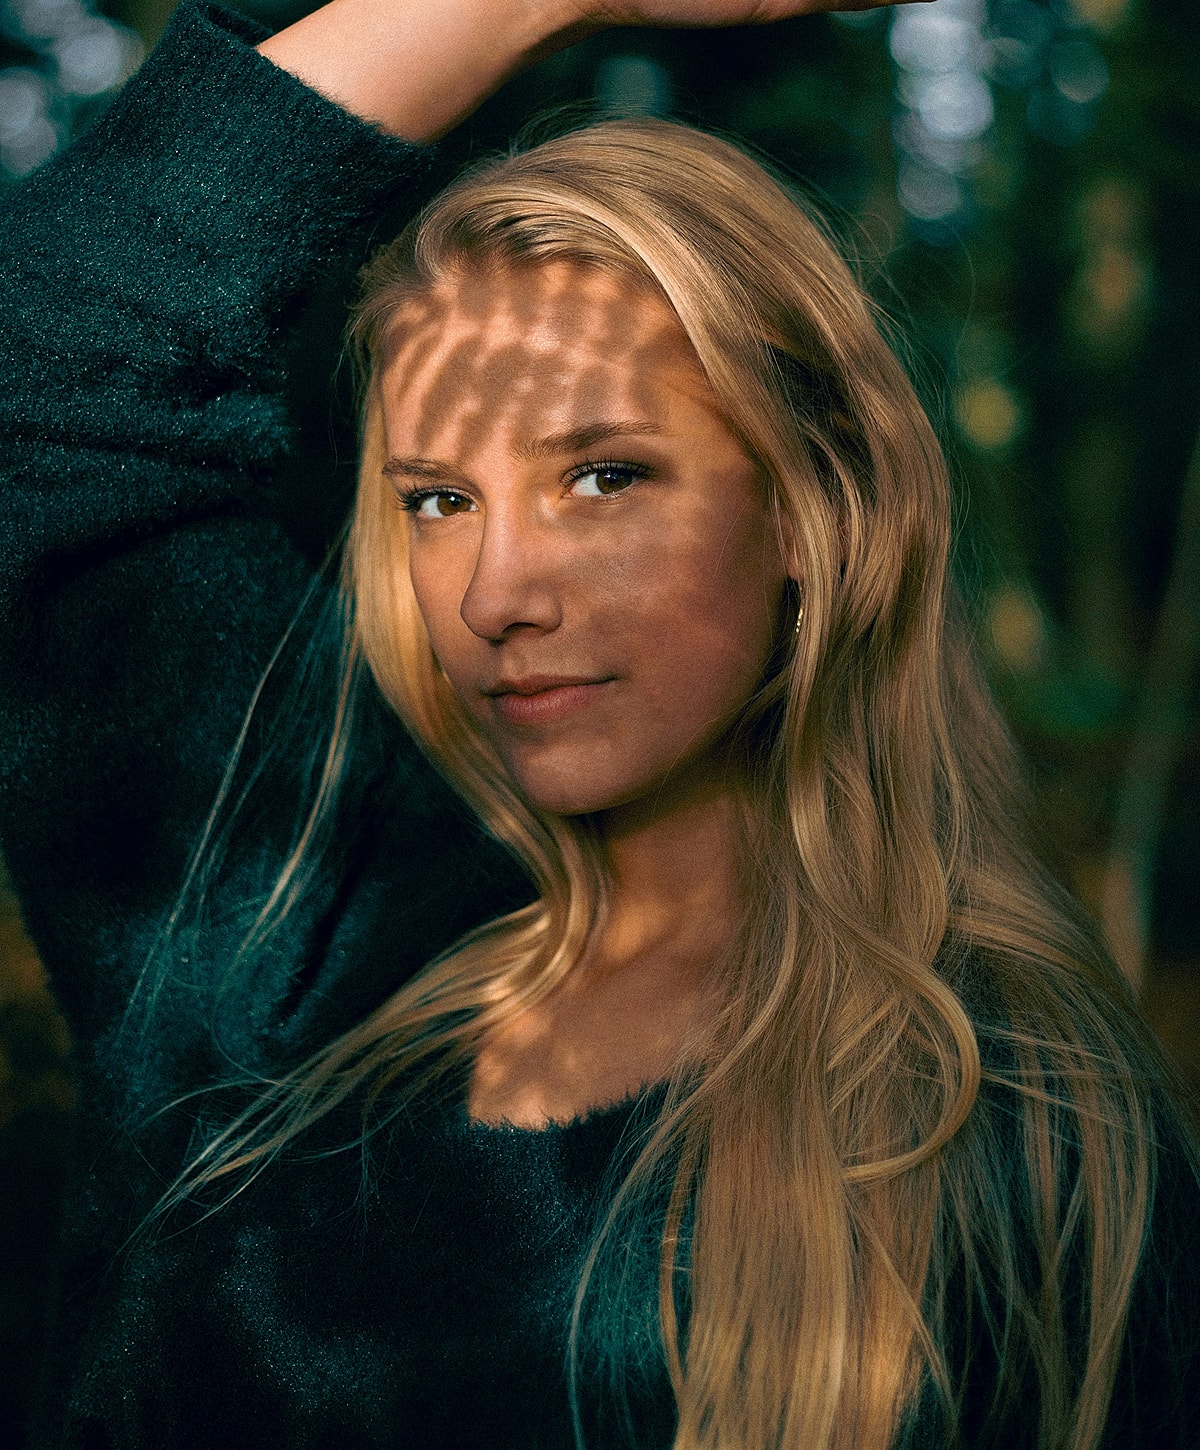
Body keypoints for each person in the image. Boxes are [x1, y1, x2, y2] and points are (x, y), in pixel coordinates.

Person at [0, 0, 1196, 1447]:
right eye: (438, 500)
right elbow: (49, 362)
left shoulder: (1010, 1116)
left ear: (815, 507)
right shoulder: (295, 923)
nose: (496, 591)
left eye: (603, 476)